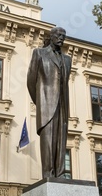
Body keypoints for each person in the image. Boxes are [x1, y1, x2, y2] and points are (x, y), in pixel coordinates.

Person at [27, 27, 71, 178]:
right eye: (58, 35)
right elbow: (31, 81)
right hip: (46, 104)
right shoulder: (39, 53)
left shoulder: (67, 60)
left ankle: (60, 172)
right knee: (48, 140)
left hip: (63, 106)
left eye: (63, 36)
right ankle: (48, 173)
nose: (61, 38)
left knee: (61, 141)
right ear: (51, 36)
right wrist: (41, 103)